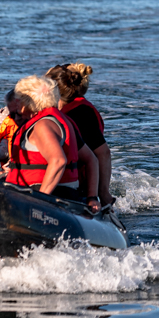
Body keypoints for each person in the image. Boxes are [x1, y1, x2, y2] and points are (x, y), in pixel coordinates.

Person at [2, 75, 95, 208]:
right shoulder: (62, 121)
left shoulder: (42, 126)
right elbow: (92, 159)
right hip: (68, 194)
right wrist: (92, 197)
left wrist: (40, 200)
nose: (17, 104)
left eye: (19, 99)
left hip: (46, 195)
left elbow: (58, 161)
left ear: (28, 101)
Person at [48, 63, 113, 209]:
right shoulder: (57, 114)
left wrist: (101, 194)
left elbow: (103, 153)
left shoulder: (81, 113)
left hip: (77, 187)